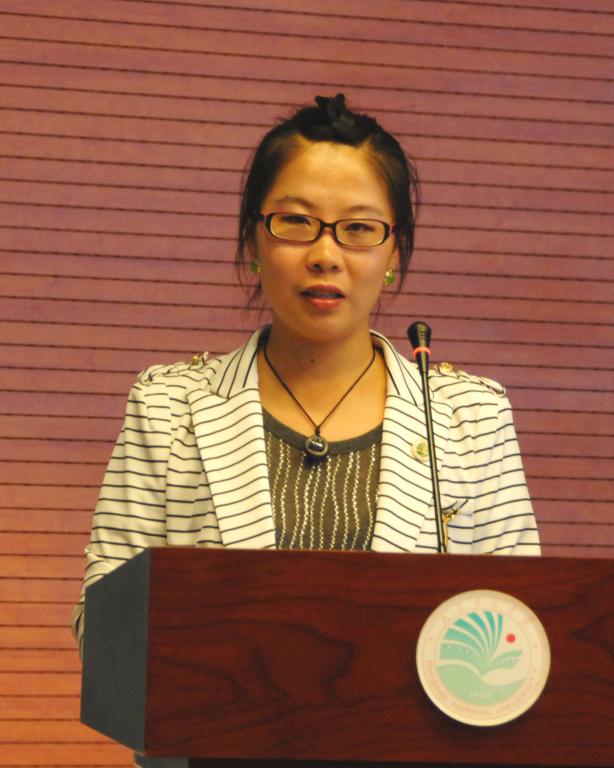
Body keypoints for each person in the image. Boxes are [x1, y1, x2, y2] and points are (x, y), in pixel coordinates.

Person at [72, 94, 540, 655]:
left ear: (394, 253)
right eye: (296, 222)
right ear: (253, 239)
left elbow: (521, 632)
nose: (325, 254)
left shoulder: (472, 418)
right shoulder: (169, 408)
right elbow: (103, 627)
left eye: (359, 228)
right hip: (220, 712)